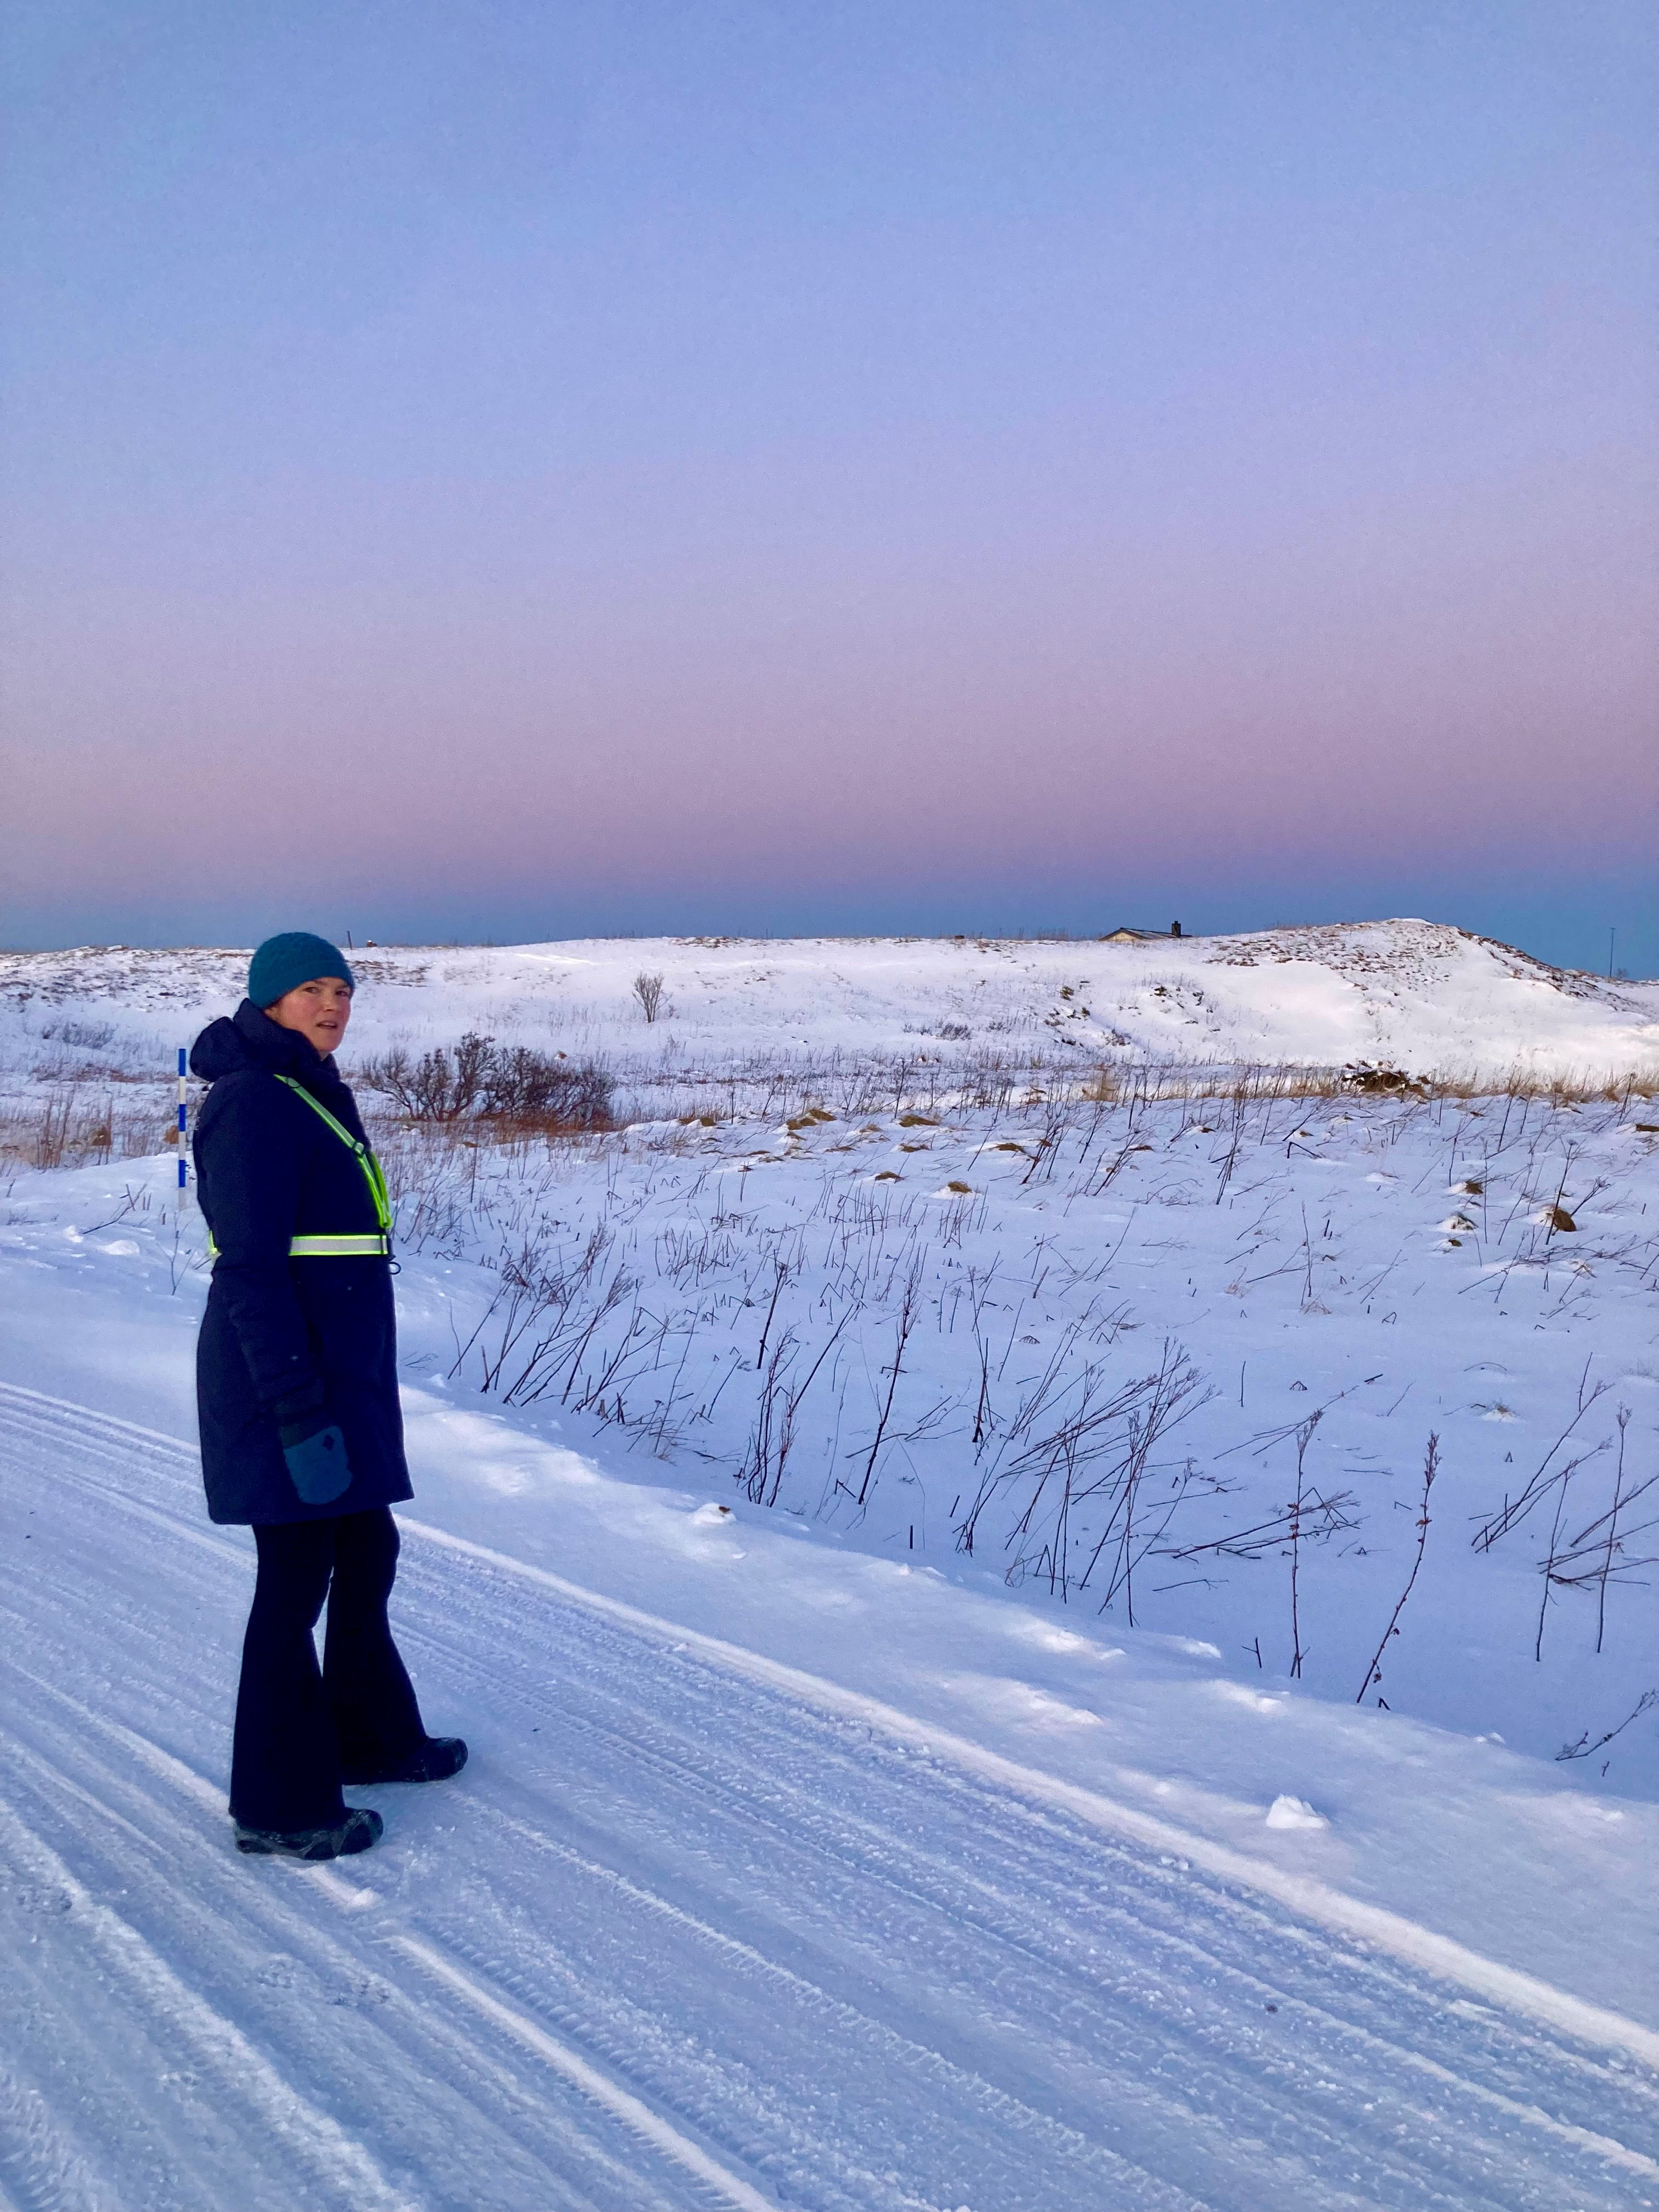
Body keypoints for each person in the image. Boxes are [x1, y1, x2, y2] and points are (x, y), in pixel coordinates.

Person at [190, 931, 465, 1860]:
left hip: (339, 1377)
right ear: (268, 999)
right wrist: (297, 1412)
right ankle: (278, 1805)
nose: (333, 1004)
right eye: (311, 988)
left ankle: (368, 1739)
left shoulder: (308, 1090)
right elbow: (253, 1275)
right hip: (288, 1383)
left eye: (344, 990)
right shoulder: (253, 1104)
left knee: (367, 1545)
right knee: (294, 1579)